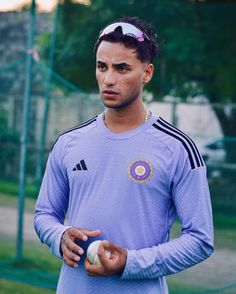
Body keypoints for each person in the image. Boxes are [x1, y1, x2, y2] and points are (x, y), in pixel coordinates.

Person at [34, 16, 214, 294]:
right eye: (101, 66)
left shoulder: (177, 148)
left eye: (122, 68)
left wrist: (129, 262)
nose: (108, 79)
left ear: (147, 73)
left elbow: (200, 240)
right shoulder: (69, 142)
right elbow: (45, 214)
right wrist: (59, 236)